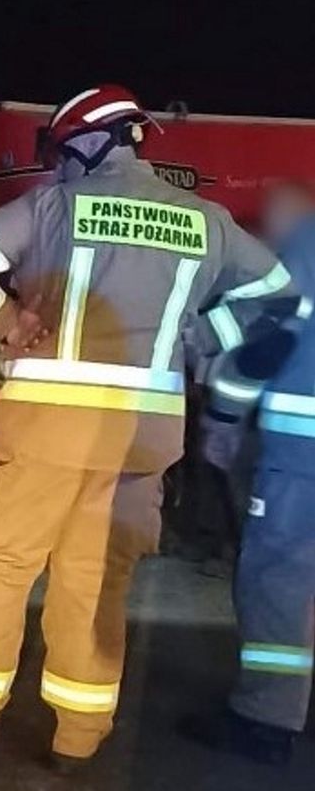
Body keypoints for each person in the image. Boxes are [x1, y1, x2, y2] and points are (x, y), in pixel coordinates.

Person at [0, 84, 297, 771]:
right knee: (96, 583)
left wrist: (3, 323)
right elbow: (278, 298)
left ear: (88, 141)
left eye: (61, 151)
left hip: (47, 428)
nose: (57, 165)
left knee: (1, 566)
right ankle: (77, 739)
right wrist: (200, 334)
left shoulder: (51, 206)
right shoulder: (207, 221)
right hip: (140, 441)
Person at [178, 183, 314, 767]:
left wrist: (224, 415)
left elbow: (270, 338)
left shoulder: (307, 245)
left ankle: (266, 719)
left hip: (303, 450)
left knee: (278, 583)